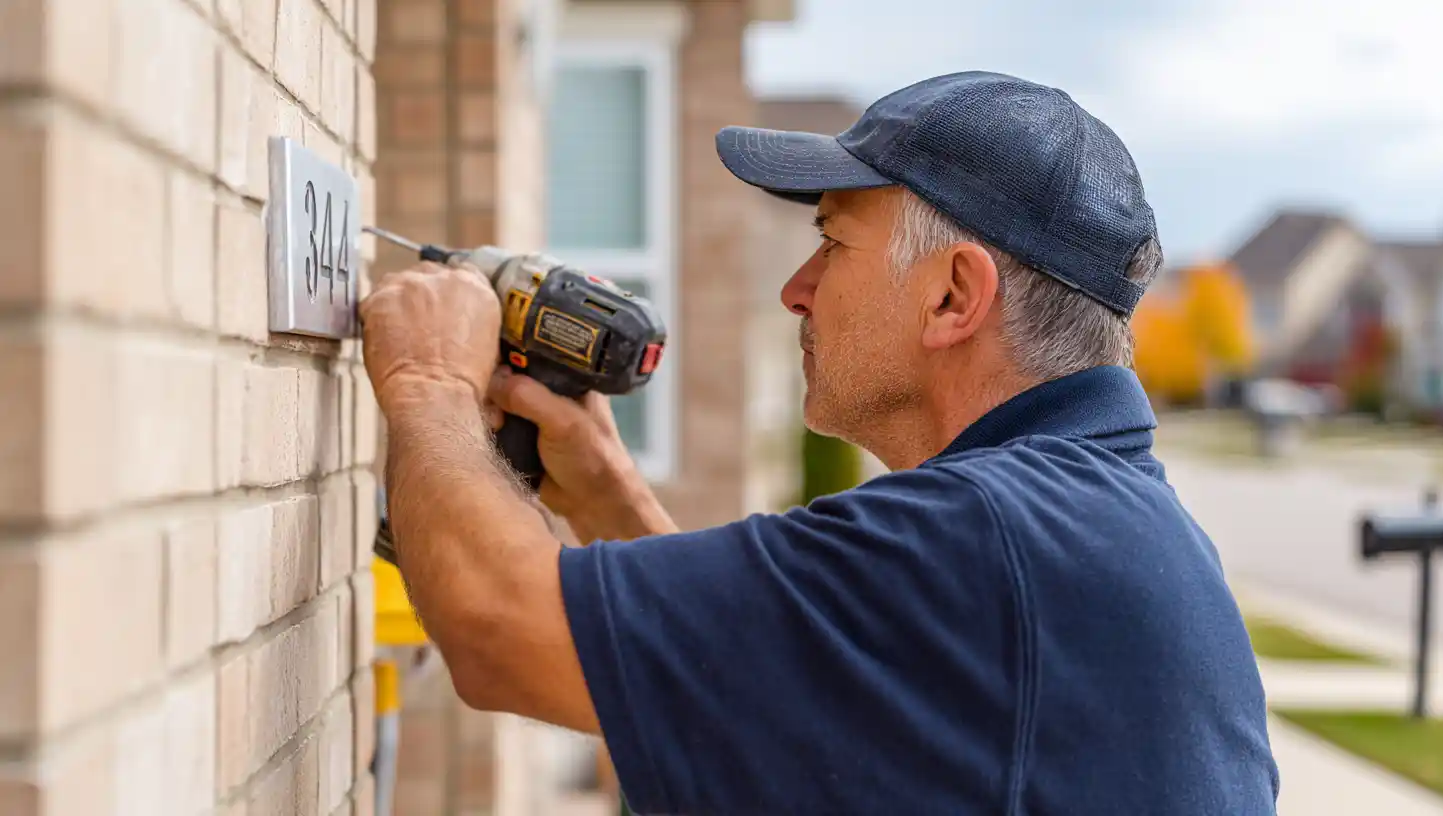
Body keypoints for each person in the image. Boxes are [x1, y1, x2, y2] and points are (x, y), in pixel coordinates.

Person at [358, 70, 1280, 815]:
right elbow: (751, 683)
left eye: (833, 243)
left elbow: (499, 629)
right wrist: (605, 497)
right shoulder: (1093, 530)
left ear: (955, 296)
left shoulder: (980, 540)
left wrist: (429, 380)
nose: (797, 289)